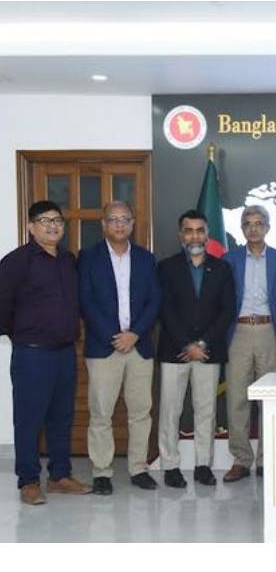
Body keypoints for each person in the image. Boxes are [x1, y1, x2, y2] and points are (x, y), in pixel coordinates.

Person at [0, 200, 91, 505]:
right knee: (29, 420)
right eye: (45, 220)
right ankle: (28, 481)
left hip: (65, 353)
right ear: (31, 226)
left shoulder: (68, 259)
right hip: (33, 355)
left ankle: (59, 476)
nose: (53, 226)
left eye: (57, 221)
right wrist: (22, 334)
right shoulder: (17, 261)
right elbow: (3, 305)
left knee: (61, 418)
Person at [79, 201, 162, 495]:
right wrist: (114, 336)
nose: (119, 224)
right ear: (103, 224)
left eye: (125, 219)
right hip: (104, 347)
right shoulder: (88, 257)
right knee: (101, 413)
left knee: (141, 411)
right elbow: (85, 301)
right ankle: (102, 471)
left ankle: (138, 468)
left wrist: (135, 334)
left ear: (132, 223)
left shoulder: (145, 258)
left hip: (139, 347)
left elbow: (154, 300)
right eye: (113, 219)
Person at [157, 209, 236, 488]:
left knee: (206, 410)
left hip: (208, 351)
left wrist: (202, 344)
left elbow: (227, 311)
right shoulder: (166, 268)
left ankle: (203, 465)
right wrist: (186, 344)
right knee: (170, 411)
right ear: (181, 235)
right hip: (174, 350)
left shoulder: (222, 268)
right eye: (188, 231)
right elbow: (165, 310)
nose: (194, 236)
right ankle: (170, 466)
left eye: (200, 230)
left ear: (207, 234)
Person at [222, 205, 276, 482]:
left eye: (258, 223)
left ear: (267, 227)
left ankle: (267, 459)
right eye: (247, 224)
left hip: (269, 332)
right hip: (238, 332)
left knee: (269, 399)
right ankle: (241, 460)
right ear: (242, 229)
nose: (253, 228)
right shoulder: (229, 259)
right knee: (237, 398)